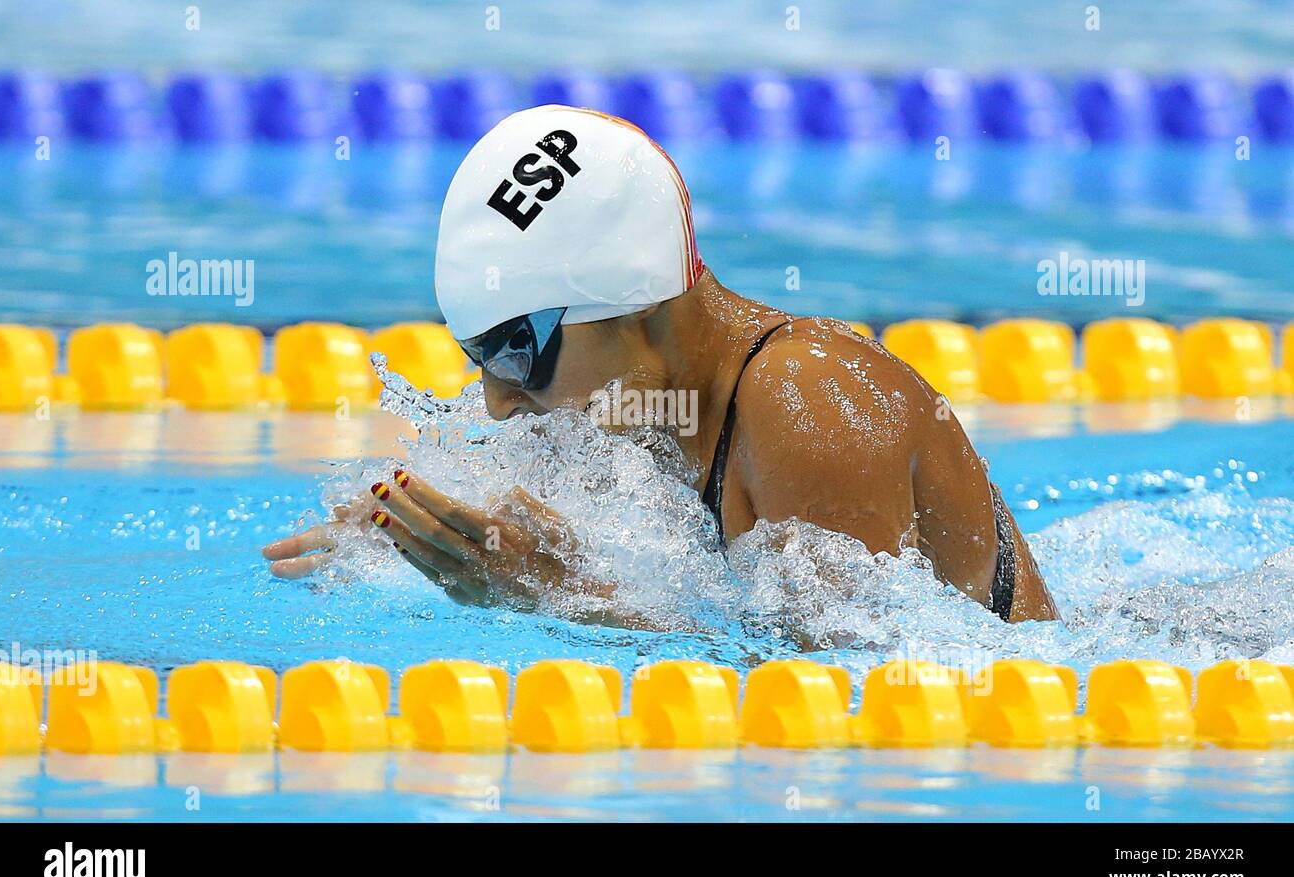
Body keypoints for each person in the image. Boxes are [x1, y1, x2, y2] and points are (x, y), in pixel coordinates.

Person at [262, 105, 1056, 625]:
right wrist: (410, 531)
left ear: (634, 311)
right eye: (476, 356)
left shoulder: (806, 403)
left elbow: (836, 717)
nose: (498, 402)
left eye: (518, 350)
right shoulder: (635, 409)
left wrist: (559, 595)